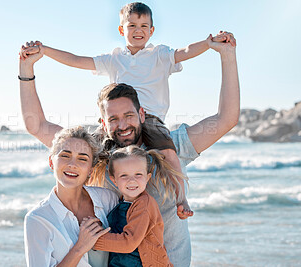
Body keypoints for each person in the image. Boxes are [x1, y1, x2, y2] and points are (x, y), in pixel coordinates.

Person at [19, 31, 239, 267]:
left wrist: (227, 55)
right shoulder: (95, 154)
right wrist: (26, 69)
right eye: (113, 119)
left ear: (141, 114)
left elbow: (226, 118)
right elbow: (38, 126)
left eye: (129, 116)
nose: (122, 125)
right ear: (103, 123)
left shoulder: (171, 145)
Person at [20, 2, 235, 215]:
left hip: (153, 120)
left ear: (152, 31)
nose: (138, 31)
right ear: (122, 29)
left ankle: (182, 199)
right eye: (132, 26)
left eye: (143, 26)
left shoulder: (159, 56)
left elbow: (186, 52)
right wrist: (43, 53)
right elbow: (77, 61)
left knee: (169, 154)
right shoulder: (114, 59)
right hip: (108, 133)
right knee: (90, 150)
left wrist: (213, 45)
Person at [24, 126, 119, 267]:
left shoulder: (108, 199)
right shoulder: (37, 219)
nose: (72, 164)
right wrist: (80, 247)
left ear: (90, 171)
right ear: (51, 162)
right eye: (65, 155)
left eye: (82, 159)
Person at [86, 145, 183, 266]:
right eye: (124, 175)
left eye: (138, 174)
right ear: (114, 180)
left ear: (147, 178)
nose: (132, 180)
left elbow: (128, 243)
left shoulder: (144, 204)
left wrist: (93, 241)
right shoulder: (119, 204)